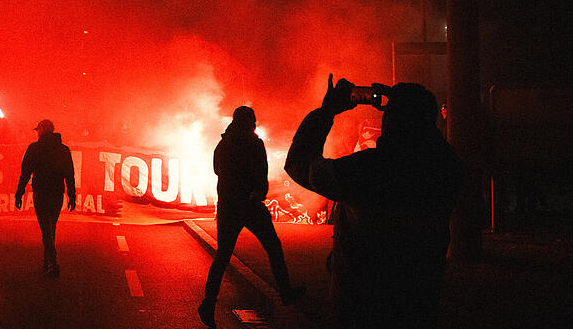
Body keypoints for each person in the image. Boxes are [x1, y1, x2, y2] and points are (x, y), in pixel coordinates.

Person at [284, 76, 462, 329]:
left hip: (362, 304)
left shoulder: (368, 170)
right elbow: (432, 146)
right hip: (419, 303)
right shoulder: (447, 168)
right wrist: (409, 105)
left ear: (390, 121)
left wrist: (327, 111)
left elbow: (299, 164)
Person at [198, 106, 303, 327]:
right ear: (250, 122)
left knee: (223, 257)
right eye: (253, 121)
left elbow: (217, 170)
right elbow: (261, 173)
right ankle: (285, 293)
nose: (255, 125)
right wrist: (258, 192)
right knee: (273, 247)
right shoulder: (255, 143)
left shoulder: (224, 144)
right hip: (251, 205)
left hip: (229, 207)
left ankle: (208, 304)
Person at [15, 119, 76, 278]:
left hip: (41, 193)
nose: (37, 133)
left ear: (42, 129)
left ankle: (53, 262)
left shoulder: (34, 148)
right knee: (50, 227)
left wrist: (19, 192)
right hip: (57, 193)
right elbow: (69, 174)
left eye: (38, 130)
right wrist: (71, 195)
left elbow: (25, 173)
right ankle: (47, 261)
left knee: (46, 229)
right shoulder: (63, 150)